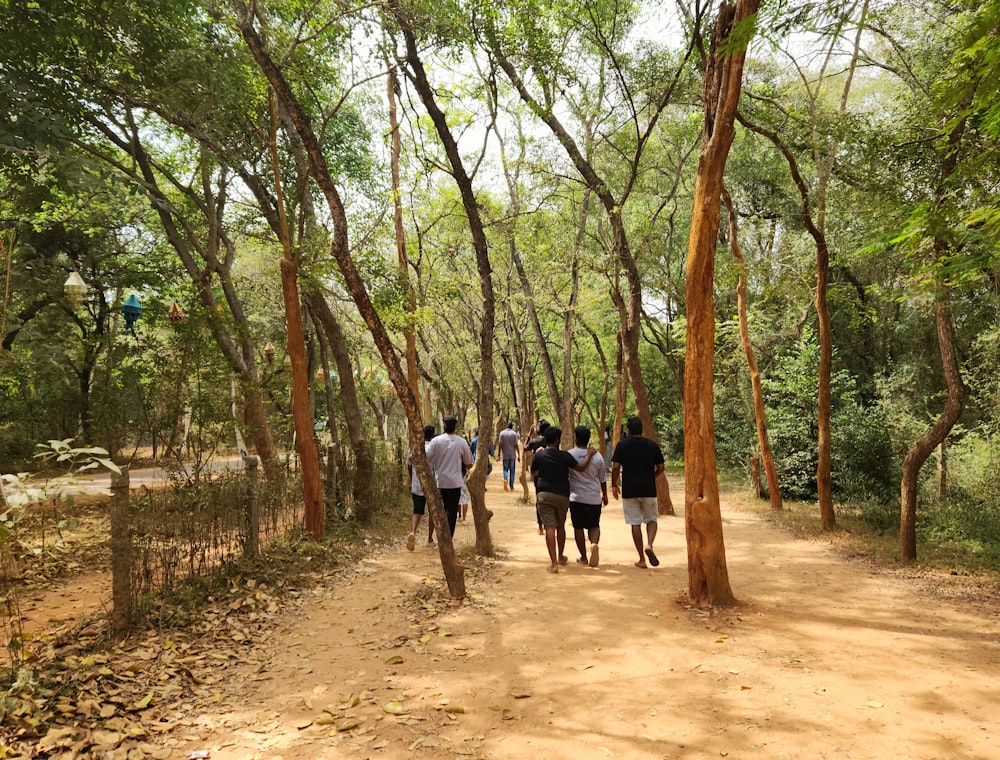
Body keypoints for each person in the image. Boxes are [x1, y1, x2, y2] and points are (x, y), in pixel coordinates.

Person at [531, 425, 597, 573]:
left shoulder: (539, 455)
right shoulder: (565, 456)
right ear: (557, 440)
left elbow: (534, 472)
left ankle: (554, 564)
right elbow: (580, 468)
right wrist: (590, 455)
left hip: (544, 494)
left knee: (549, 527)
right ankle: (560, 556)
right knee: (560, 526)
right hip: (562, 495)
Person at [611, 416, 665, 569]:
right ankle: (649, 544)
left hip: (630, 490)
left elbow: (615, 468)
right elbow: (661, 468)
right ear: (642, 429)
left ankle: (641, 559)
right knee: (652, 519)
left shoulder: (622, 445)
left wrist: (614, 485)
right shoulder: (652, 445)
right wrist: (651, 477)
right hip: (648, 488)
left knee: (635, 523)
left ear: (628, 430)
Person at [426, 415, 474, 536]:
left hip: (439, 482)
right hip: (455, 483)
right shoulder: (461, 442)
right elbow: (469, 464)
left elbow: (426, 457)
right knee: (451, 512)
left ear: (444, 426)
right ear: (455, 427)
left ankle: (441, 535)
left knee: (439, 510)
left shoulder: (436, 441)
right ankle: (449, 538)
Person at [568, 426, 607, 568]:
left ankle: (584, 557)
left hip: (576, 497)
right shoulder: (598, 456)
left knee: (578, 527)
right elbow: (602, 478)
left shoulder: (570, 454)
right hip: (593, 498)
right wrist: (605, 495)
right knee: (594, 525)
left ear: (576, 438)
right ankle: (594, 544)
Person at [407, 425, 437, 550]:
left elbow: (409, 464)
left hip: (416, 484)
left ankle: (413, 531)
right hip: (431, 484)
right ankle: (429, 539)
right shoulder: (435, 448)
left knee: (417, 510)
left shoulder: (414, 448)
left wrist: (412, 477)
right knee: (432, 513)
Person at [524, 420, 550, 535]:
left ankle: (540, 526)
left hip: (537, 475)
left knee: (539, 499)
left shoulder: (534, 442)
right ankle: (548, 524)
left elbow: (525, 448)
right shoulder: (551, 441)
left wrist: (529, 434)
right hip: (550, 474)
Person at [497, 421, 520, 492]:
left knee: (505, 469)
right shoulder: (514, 434)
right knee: (512, 471)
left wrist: (499, 454)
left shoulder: (502, 433)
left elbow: (500, 445)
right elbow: (516, 445)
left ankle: (505, 479)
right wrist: (519, 454)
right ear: (512, 427)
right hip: (512, 455)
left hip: (505, 455)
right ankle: (511, 486)